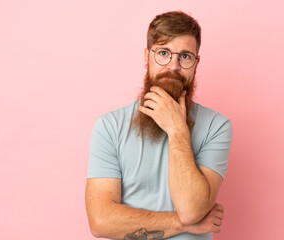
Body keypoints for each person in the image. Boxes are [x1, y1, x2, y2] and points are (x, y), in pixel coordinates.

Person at [85, 11, 233, 240]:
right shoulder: (109, 127)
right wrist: (184, 224)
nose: (173, 66)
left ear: (196, 63)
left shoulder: (217, 126)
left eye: (185, 56)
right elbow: (101, 222)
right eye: (163, 53)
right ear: (146, 56)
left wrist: (177, 129)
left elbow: (192, 209)